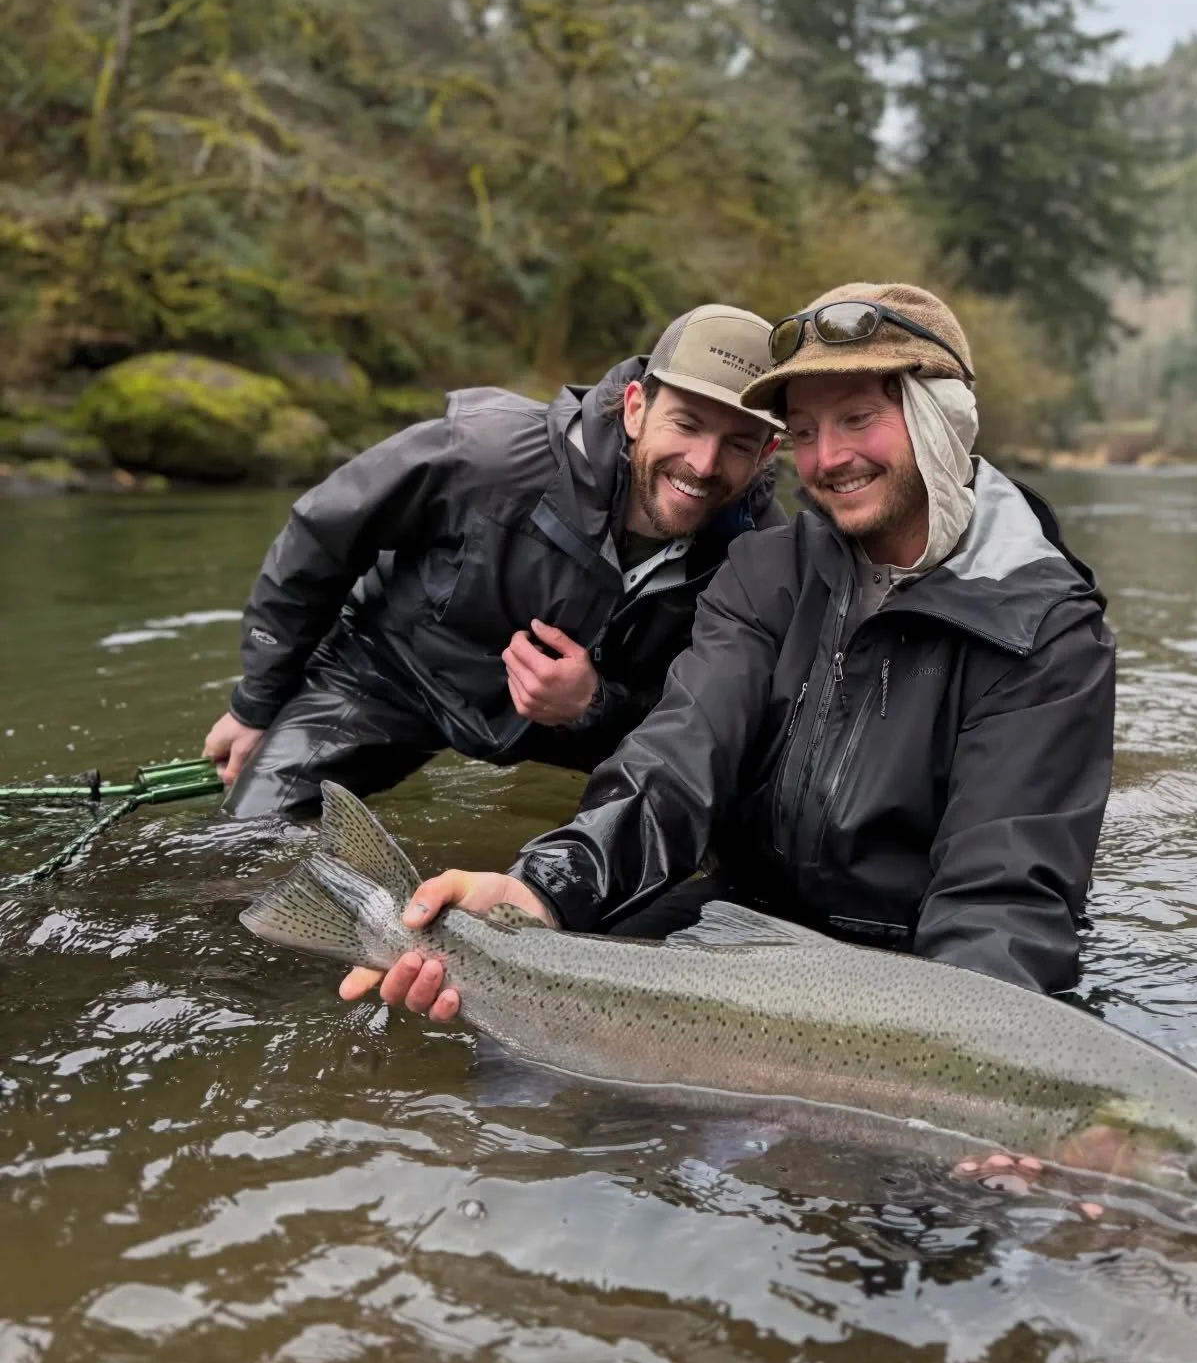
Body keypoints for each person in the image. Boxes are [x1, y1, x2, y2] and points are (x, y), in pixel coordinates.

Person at [341, 281, 1116, 1018]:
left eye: (857, 418)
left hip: (918, 962)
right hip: (740, 918)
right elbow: (679, 758)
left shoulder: (1047, 627)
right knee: (546, 1097)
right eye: (805, 432)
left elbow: (1004, 898)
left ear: (942, 419)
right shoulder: (766, 571)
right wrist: (540, 890)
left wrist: (975, 1067)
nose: (828, 459)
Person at [205, 305, 784, 818]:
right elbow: (321, 539)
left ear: (769, 452)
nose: (704, 464)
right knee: (247, 844)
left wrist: (596, 704)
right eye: (687, 424)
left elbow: (718, 716)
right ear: (636, 409)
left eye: (739, 443)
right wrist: (256, 705)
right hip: (394, 677)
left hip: (598, 725)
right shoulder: (484, 455)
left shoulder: (765, 557)